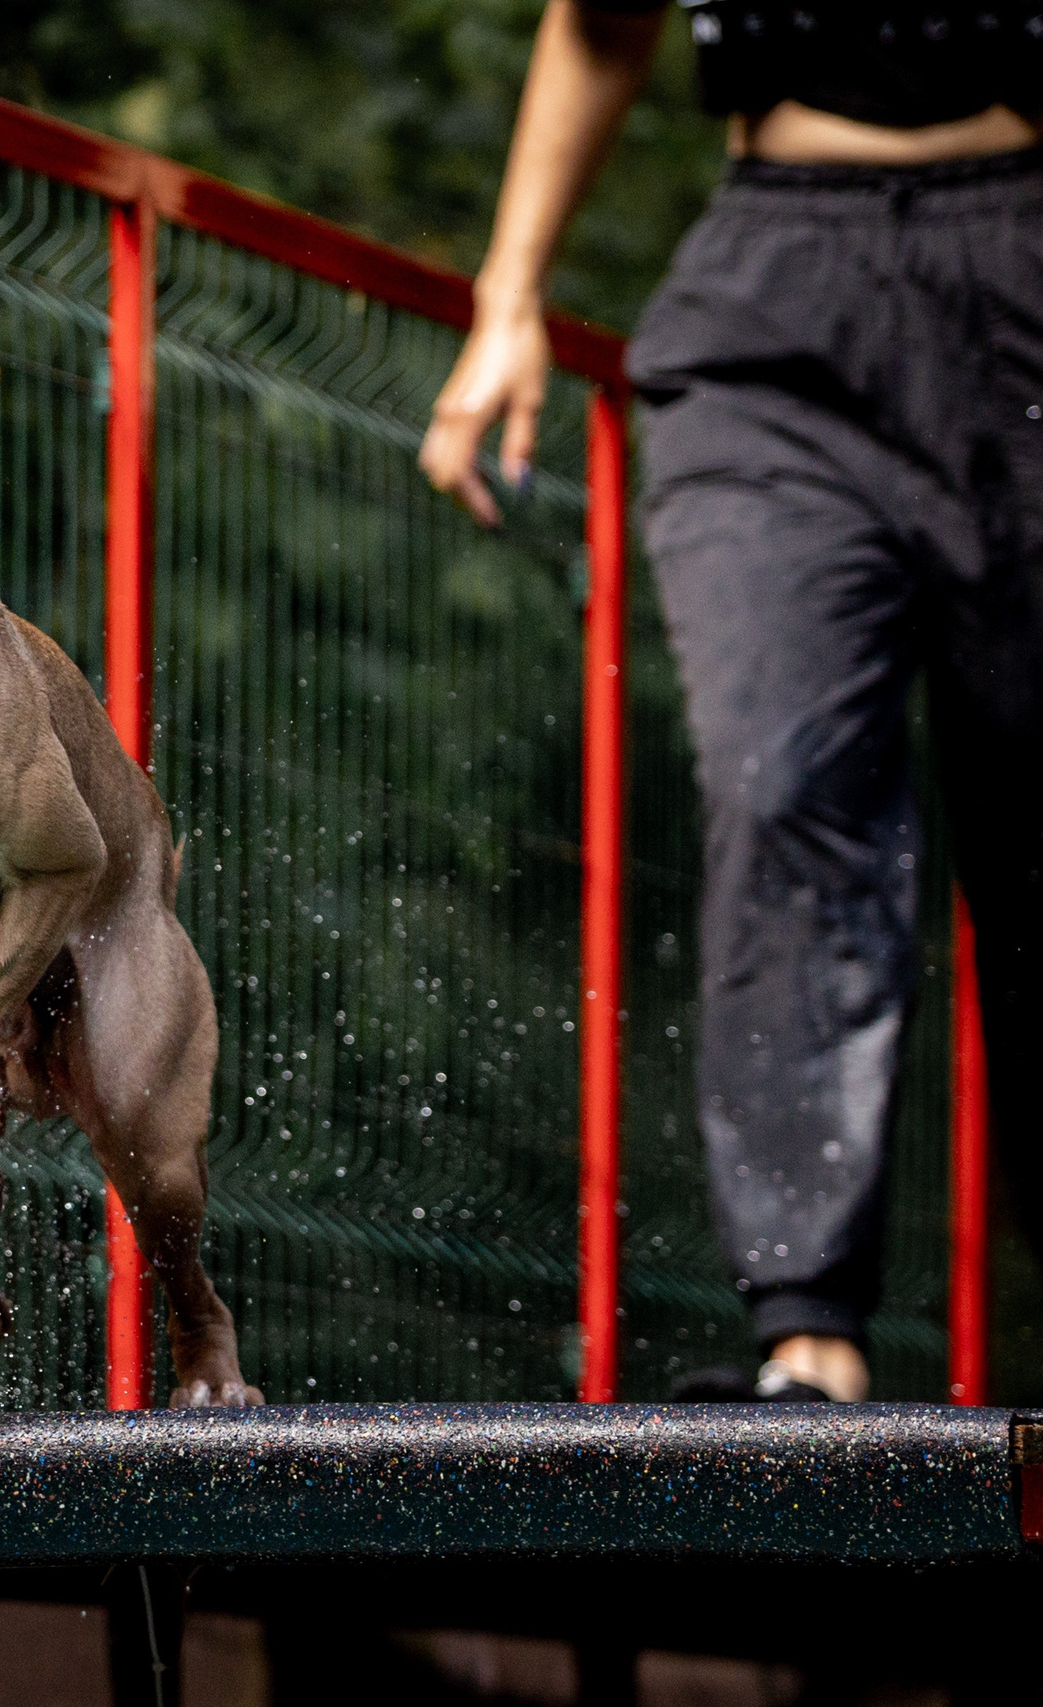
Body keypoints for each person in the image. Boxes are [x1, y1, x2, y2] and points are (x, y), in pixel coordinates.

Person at [421, 0, 1040, 1401]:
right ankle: (806, 1342)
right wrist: (508, 298)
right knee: (780, 782)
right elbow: (599, 24)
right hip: (776, 300)